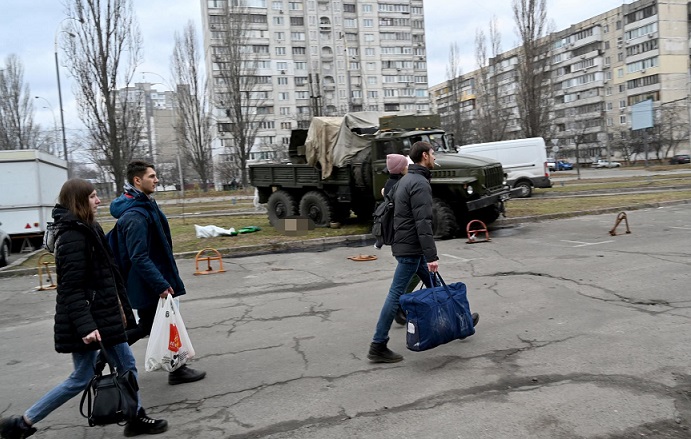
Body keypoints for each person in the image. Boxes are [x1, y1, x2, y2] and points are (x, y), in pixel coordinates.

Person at [0, 179, 167, 439]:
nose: (99, 201)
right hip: (91, 320)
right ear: (79, 201)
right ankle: (21, 423)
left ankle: (135, 417)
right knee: (82, 377)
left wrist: (121, 308)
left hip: (104, 316)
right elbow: (70, 289)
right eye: (92, 197)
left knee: (124, 365)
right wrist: (87, 327)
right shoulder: (73, 236)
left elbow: (107, 275)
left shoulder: (88, 227)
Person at [367, 142, 479, 363]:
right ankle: (378, 345)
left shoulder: (406, 180)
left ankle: (460, 320)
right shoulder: (418, 183)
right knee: (395, 295)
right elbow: (423, 223)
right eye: (433, 153)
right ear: (425, 156)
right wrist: (432, 256)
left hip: (406, 246)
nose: (435, 157)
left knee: (434, 285)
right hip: (411, 249)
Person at [110, 161, 206, 385]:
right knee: (149, 325)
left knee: (152, 324)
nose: (157, 180)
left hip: (150, 279)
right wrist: (160, 284)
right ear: (137, 180)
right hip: (147, 282)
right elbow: (139, 256)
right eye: (152, 176)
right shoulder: (135, 215)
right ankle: (104, 355)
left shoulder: (144, 204)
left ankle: (176, 369)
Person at [374, 153, 409, 250]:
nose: (408, 167)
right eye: (406, 165)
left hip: (397, 228)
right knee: (406, 262)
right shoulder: (399, 184)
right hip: (400, 230)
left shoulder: (390, 182)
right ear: (400, 169)